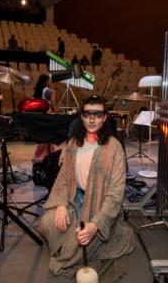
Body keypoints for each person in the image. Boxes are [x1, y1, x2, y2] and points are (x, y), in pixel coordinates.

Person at [37, 95, 135, 282]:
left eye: (97, 114)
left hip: (99, 205)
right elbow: (64, 177)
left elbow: (116, 195)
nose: (92, 119)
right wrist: (60, 204)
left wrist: (95, 224)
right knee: (47, 223)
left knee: (82, 239)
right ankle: (72, 235)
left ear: (105, 117)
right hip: (75, 199)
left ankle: (79, 243)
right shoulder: (74, 143)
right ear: (81, 116)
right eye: (87, 114)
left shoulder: (114, 148)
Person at [32, 74, 57, 162]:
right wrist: (56, 113)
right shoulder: (51, 91)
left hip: (39, 116)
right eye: (49, 80)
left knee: (42, 137)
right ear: (47, 81)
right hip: (48, 115)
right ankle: (48, 155)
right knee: (49, 137)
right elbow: (53, 105)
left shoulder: (37, 90)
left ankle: (39, 155)